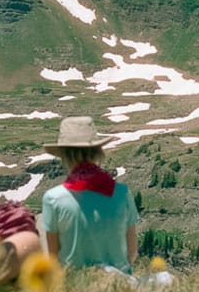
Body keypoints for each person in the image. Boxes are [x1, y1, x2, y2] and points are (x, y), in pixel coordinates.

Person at [41, 117, 138, 273]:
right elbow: (132, 252)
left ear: (64, 155)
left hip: (75, 287)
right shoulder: (122, 193)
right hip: (120, 285)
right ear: (98, 152)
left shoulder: (53, 199)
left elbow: (53, 258)